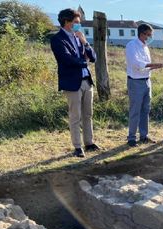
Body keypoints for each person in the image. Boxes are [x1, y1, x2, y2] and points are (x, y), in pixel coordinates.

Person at [50, 8, 99, 158]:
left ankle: (89, 142)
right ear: (67, 22)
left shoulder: (79, 37)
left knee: (88, 114)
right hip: (72, 82)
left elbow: (93, 57)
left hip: (86, 80)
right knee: (75, 115)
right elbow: (66, 59)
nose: (79, 25)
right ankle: (77, 147)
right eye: (76, 22)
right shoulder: (58, 39)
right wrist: (84, 63)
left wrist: (85, 42)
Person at [125, 23, 163, 147]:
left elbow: (146, 66)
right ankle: (131, 137)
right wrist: (153, 65)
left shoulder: (145, 47)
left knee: (145, 110)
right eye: (149, 35)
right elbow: (136, 64)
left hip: (147, 81)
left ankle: (143, 135)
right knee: (135, 110)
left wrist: (153, 67)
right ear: (142, 34)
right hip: (135, 81)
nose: (150, 37)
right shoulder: (132, 46)